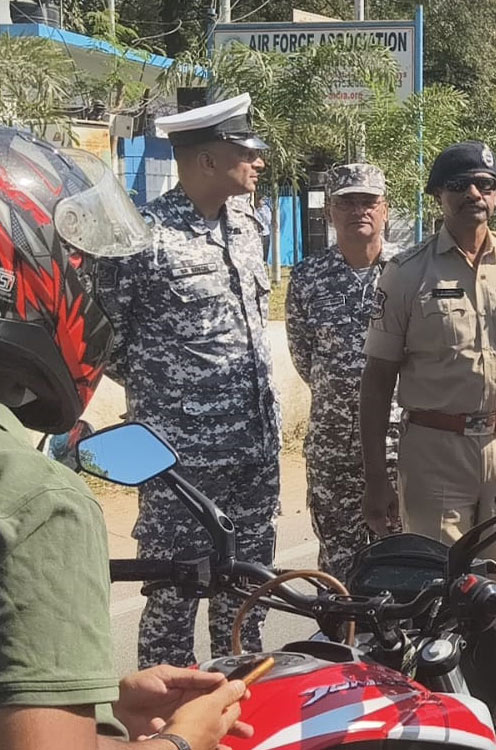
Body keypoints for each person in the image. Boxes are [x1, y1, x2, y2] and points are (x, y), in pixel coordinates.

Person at [0, 127, 251, 750]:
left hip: (240, 458)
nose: (89, 289)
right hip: (176, 445)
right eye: (79, 263)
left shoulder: (248, 229)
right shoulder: (36, 502)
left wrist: (101, 710)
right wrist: (181, 741)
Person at [359, 140, 496, 747]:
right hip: (434, 450)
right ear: (439, 197)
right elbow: (376, 382)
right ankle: (433, 717)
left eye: (484, 184)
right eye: (460, 186)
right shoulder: (404, 274)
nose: (474, 195)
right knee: (435, 589)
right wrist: (377, 478)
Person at [96, 93, 282, 669]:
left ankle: (238, 707)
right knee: (173, 597)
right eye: (244, 150)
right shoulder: (142, 238)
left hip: (254, 451)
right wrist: (173, 400)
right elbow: (107, 340)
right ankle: (164, 724)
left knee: (248, 596)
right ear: (206, 160)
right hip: (180, 463)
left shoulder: (251, 226)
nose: (258, 161)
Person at [286, 162, 400, 582]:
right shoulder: (307, 278)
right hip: (332, 448)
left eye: (368, 201)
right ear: (329, 213)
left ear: (385, 208)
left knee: (402, 561)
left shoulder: (408, 273)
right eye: (346, 202)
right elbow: (305, 358)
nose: (359, 211)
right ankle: (340, 644)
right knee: (338, 566)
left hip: (399, 447)